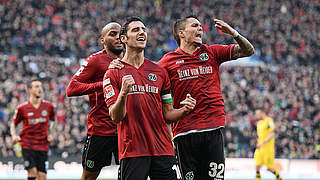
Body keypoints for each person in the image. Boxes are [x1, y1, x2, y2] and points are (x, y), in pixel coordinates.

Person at [157, 15, 255, 180]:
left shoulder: (212, 52)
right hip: (185, 132)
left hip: (213, 130)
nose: (200, 29)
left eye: (200, 26)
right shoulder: (167, 62)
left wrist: (233, 34)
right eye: (195, 26)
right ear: (181, 33)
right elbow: (147, 78)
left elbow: (249, 51)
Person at [103, 16, 196, 180]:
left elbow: (167, 114)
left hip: (163, 149)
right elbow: (116, 116)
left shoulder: (159, 72)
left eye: (144, 30)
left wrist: (184, 110)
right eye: (135, 30)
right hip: (133, 152)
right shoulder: (113, 73)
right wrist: (124, 93)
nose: (141, 33)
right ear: (123, 38)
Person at [66, 22, 123, 180]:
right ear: (102, 40)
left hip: (125, 129)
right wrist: (104, 83)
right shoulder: (96, 60)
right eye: (112, 34)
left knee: (130, 175)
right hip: (101, 129)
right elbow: (71, 89)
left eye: (120, 34)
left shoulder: (130, 61)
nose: (118, 37)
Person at [10, 79, 55, 180]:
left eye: (40, 86)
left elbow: (53, 120)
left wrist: (51, 133)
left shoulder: (49, 106)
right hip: (27, 144)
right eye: (36, 86)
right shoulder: (22, 108)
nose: (40, 89)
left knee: (42, 177)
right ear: (29, 90)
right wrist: (14, 135)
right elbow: (13, 123)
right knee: (32, 172)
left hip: (43, 145)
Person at [254, 109, 282, 180]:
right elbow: (260, 136)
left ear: (262, 113)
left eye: (257, 114)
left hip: (268, 149)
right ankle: (257, 178)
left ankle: (279, 178)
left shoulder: (269, 121)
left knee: (269, 168)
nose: (256, 116)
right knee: (257, 164)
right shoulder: (259, 123)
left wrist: (262, 143)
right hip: (260, 148)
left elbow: (272, 133)